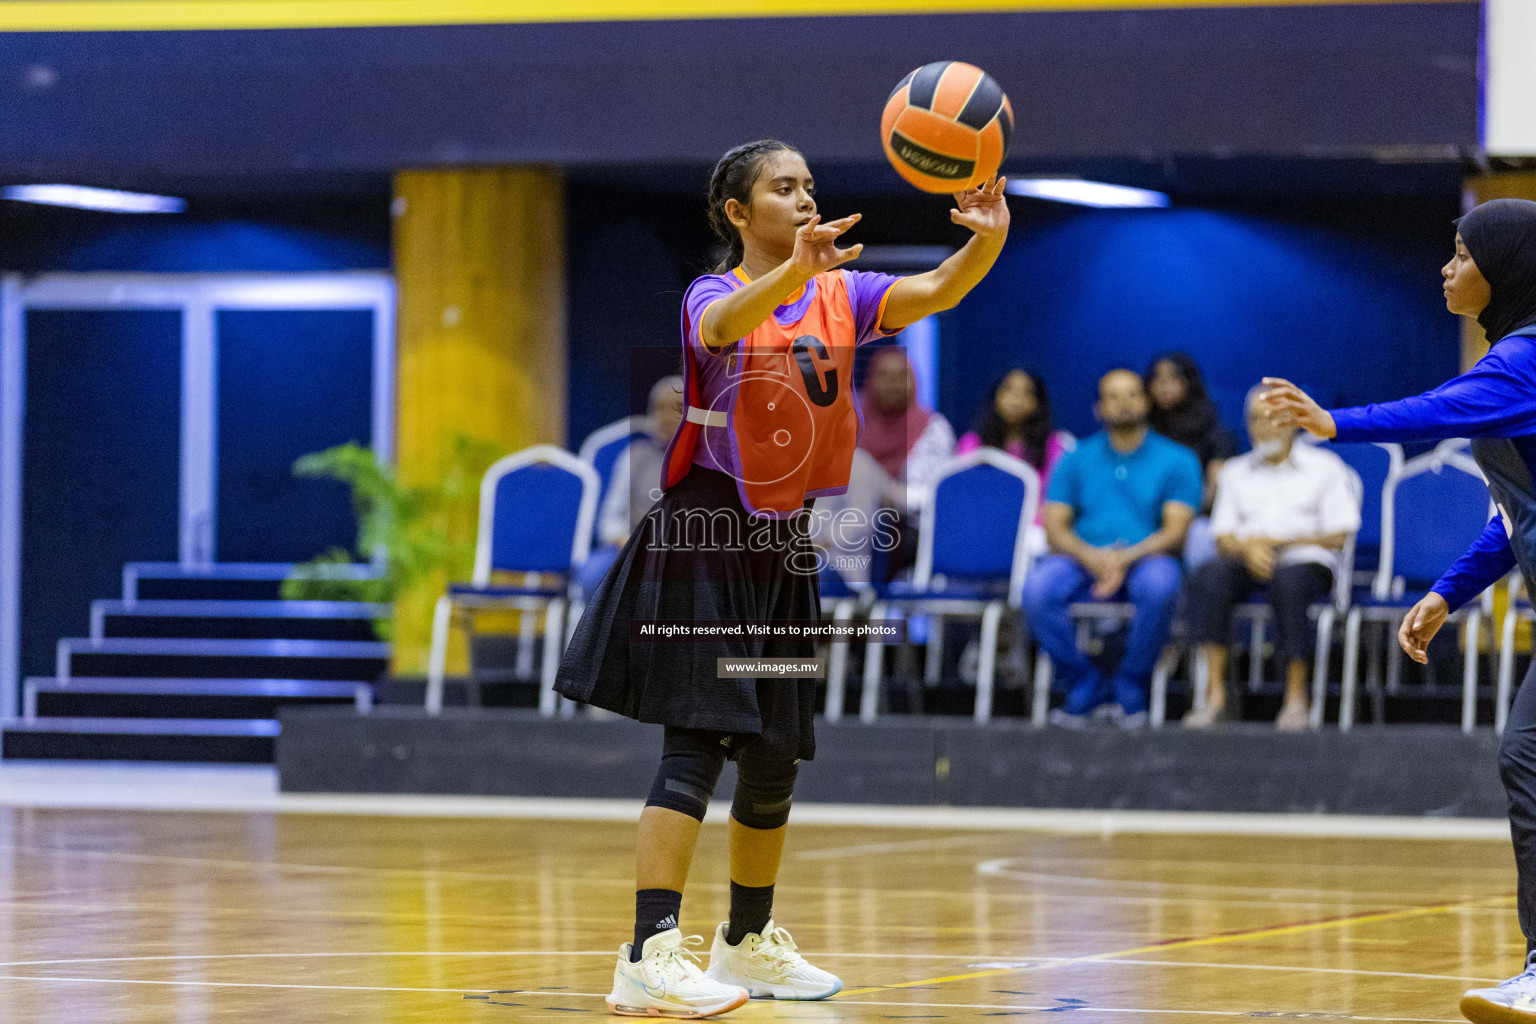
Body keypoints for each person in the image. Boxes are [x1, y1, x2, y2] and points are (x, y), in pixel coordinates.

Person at [554, 139, 1009, 1018]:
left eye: (810, 186)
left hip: (783, 547)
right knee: (695, 744)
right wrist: (793, 272)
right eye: (783, 187)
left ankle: (747, 944)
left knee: (773, 753)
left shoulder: (842, 294)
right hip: (704, 536)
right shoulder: (715, 293)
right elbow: (717, 332)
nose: (806, 200)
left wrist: (983, 240)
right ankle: (647, 954)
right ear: (737, 211)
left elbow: (939, 289)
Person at [1261, 198, 1536, 1024]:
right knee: (1528, 760)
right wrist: (1446, 590)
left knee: (1528, 758)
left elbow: (1439, 410)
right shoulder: (1515, 360)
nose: (1446, 269)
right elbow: (1518, 518)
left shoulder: (1526, 359)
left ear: (1507, 267)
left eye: (1460, 254)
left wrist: (1335, 422)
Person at [1022, 368, 1202, 729]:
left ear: (1147, 402)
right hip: (1082, 557)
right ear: (1097, 408)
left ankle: (1130, 682)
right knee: (1037, 590)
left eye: (1133, 394)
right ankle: (1084, 680)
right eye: (1113, 396)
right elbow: (1055, 527)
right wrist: (1093, 557)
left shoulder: (1179, 460)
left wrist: (1121, 558)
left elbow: (1175, 533)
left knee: (1160, 586)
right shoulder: (1074, 458)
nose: (1124, 404)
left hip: (1149, 557)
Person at [1182, 385, 1360, 731]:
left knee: (1289, 580)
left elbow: (1339, 534)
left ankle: (1296, 699)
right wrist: (1248, 548)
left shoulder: (1326, 467)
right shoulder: (1234, 471)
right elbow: (1223, 535)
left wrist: (1279, 543)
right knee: (1210, 576)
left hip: (1308, 560)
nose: (1262, 427)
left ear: (1294, 421)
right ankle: (1214, 695)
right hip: (1248, 558)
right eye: (1254, 419)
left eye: (1272, 418)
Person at [578, 376, 686, 597]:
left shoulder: (711, 460)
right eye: (659, 409)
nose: (665, 417)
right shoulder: (634, 456)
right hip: (632, 548)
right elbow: (610, 519)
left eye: (677, 408)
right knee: (593, 573)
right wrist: (629, 542)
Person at [856, 347, 954, 581]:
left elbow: (931, 497)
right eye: (885, 376)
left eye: (902, 376)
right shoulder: (847, 426)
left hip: (909, 531)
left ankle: (863, 602)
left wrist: (884, 491)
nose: (893, 384)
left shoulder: (934, 429)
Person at [1147, 352, 1239, 506]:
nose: (1164, 384)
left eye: (1173, 377)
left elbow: (1215, 496)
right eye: (1157, 377)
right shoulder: (1143, 432)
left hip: (1198, 517)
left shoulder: (1216, 435)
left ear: (1189, 381)